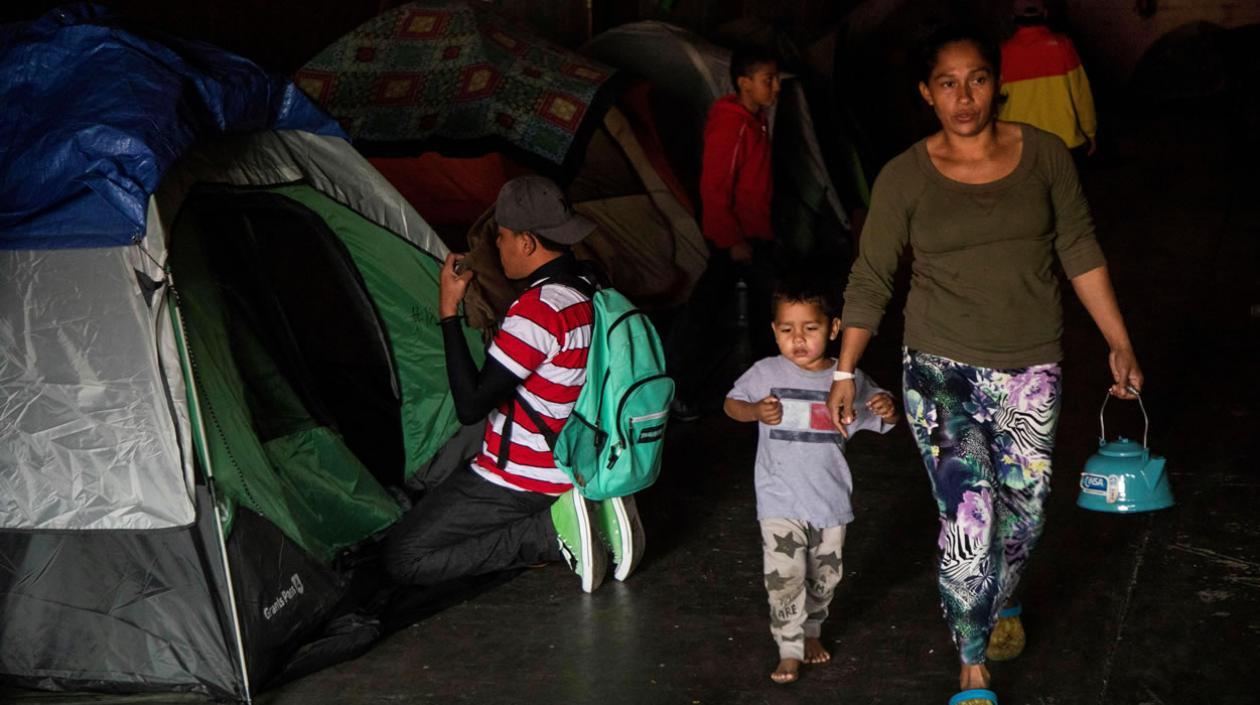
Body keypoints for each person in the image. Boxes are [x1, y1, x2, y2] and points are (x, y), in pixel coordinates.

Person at [825, 27, 1144, 705]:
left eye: (975, 79)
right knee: (970, 515)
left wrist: (1118, 338)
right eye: (946, 82)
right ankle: (971, 665)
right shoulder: (905, 175)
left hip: (1031, 366)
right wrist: (845, 369)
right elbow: (872, 275)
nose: (963, 96)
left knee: (1023, 513)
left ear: (998, 84)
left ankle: (1001, 601)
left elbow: (1080, 247)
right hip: (940, 370)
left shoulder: (1046, 157)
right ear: (926, 93)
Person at [384, 175, 642, 594]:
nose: (498, 247)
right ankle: (581, 507)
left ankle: (551, 533)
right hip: (578, 454)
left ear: (527, 243)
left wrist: (448, 310)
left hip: (525, 476)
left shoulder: (539, 311)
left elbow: (471, 405)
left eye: (502, 237)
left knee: (404, 557)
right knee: (452, 459)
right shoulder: (592, 287)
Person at [725, 278, 898, 684]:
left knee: (825, 577)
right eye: (787, 330)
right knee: (783, 578)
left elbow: (885, 420)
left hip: (829, 502)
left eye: (811, 328)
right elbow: (731, 404)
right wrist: (753, 412)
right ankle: (789, 647)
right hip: (778, 499)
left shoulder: (845, 379)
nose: (798, 339)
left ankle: (811, 631)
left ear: (834, 329)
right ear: (774, 331)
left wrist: (886, 406)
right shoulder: (765, 372)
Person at [668, 46, 781, 421]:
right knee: (710, 315)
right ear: (744, 83)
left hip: (753, 234)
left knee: (747, 311)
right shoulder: (731, 124)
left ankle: (768, 391)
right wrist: (731, 240)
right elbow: (714, 189)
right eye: (769, 80)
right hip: (735, 239)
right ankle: (679, 390)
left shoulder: (755, 118)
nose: (776, 86)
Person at [999, 0, 1098, 170]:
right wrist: (1090, 132)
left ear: (1013, 17)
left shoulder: (1002, 53)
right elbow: (1081, 94)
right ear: (1045, 13)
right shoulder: (1063, 46)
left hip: (1021, 146)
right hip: (1065, 144)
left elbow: (996, 104)